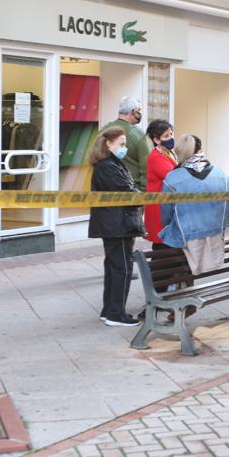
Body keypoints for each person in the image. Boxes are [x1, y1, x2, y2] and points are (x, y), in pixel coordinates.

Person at [160, 135, 229, 273]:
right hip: (215, 237)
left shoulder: (172, 178)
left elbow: (166, 214)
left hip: (185, 240)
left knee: (166, 238)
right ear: (201, 149)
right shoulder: (221, 174)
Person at [88, 127, 142, 327]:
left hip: (116, 223)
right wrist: (137, 193)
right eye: (121, 143)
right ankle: (116, 314)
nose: (124, 147)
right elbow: (128, 191)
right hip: (117, 224)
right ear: (108, 144)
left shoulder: (112, 164)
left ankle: (109, 309)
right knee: (122, 268)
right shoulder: (108, 167)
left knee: (114, 267)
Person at [99, 96, 152, 191]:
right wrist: (144, 196)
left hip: (105, 190)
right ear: (133, 112)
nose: (140, 113)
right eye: (139, 110)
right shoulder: (138, 135)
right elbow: (147, 167)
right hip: (132, 192)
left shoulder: (104, 130)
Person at [144, 119, 178, 250]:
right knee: (162, 244)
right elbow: (173, 177)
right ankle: (155, 270)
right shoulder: (156, 157)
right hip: (159, 208)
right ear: (157, 140)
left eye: (171, 133)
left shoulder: (169, 153)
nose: (171, 138)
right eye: (166, 136)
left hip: (166, 206)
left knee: (167, 243)